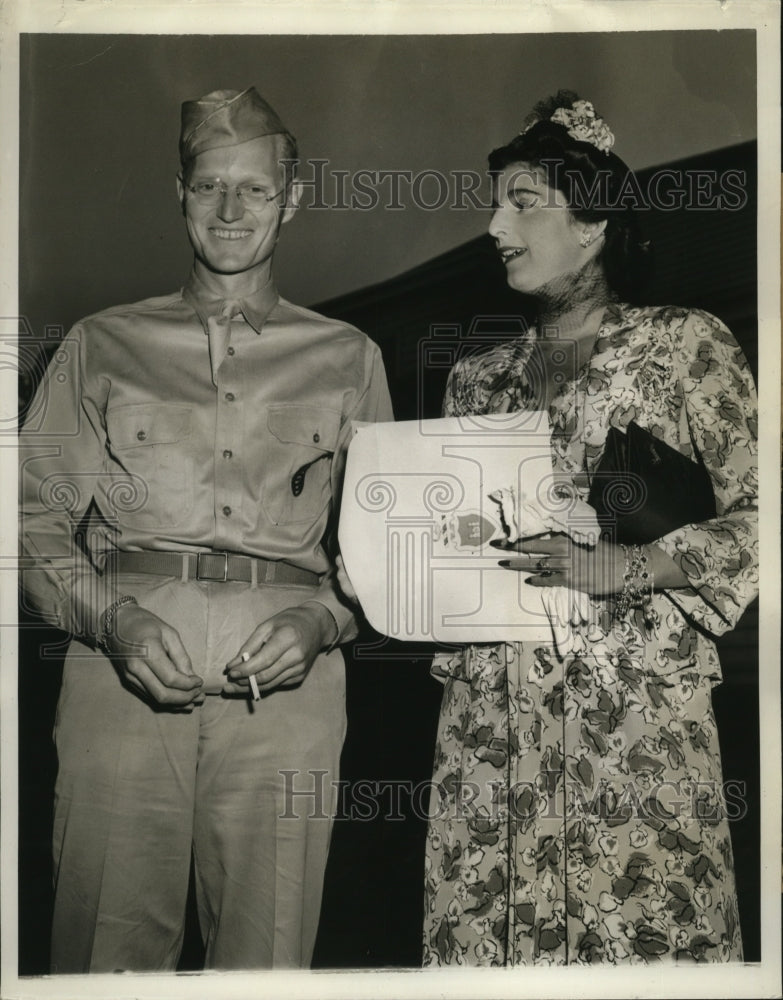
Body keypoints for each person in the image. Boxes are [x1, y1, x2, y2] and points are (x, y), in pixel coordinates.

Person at [19, 86, 392, 972]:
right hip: (120, 684)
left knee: (267, 959)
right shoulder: (99, 344)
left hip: (290, 702)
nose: (230, 212)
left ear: (291, 199)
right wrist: (110, 618)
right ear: (178, 193)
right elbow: (27, 521)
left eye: (254, 190)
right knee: (100, 953)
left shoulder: (349, 357)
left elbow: (392, 554)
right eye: (209, 187)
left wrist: (324, 621)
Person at [421, 92, 757, 965]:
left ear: (595, 217)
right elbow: (443, 548)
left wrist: (630, 565)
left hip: (635, 724)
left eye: (523, 202)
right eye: (495, 203)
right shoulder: (474, 381)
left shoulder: (684, 344)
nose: (495, 226)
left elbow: (767, 516)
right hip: (489, 730)